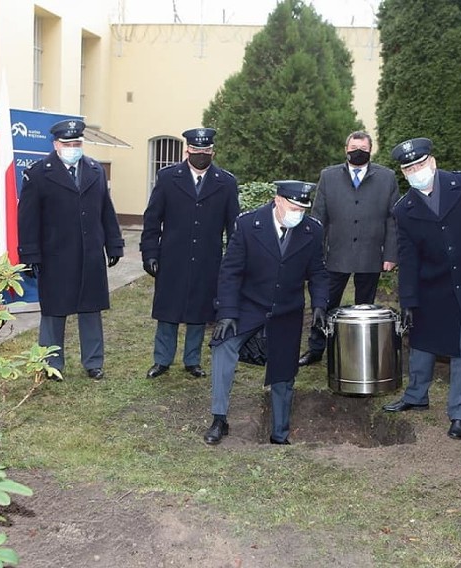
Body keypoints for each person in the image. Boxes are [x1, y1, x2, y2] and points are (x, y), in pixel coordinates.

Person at [383, 137, 461, 440]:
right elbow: (408, 258)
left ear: (433, 162)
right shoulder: (404, 209)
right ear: (404, 172)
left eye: (420, 164)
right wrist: (408, 300)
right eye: (409, 167)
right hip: (431, 285)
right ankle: (416, 396)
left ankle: (459, 414)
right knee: (422, 343)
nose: (416, 170)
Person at [204, 180, 328, 446]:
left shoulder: (312, 230)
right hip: (250, 305)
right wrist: (227, 312)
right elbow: (231, 271)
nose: (298, 212)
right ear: (278, 200)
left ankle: (279, 433)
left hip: (286, 310)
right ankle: (219, 418)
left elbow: (318, 271)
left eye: (303, 208)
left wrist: (320, 304)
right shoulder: (249, 225)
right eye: (294, 206)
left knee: (284, 371)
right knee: (223, 346)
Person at [17, 119, 125, 381]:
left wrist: (114, 244)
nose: (73, 147)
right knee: (55, 311)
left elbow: (106, 211)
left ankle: (94, 362)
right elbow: (28, 219)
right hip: (56, 256)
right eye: (67, 143)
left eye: (77, 143)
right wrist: (30, 255)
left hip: (89, 254)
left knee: (91, 309)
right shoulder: (39, 173)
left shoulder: (94, 170)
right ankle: (52, 364)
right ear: (56, 145)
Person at [140, 128, 240, 379]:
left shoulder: (226, 182)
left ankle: (192, 360)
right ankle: (162, 360)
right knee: (168, 310)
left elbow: (234, 225)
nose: (201, 155)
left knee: (199, 310)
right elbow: (152, 219)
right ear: (187, 151)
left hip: (208, 258)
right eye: (196, 151)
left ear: (212, 152)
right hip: (172, 257)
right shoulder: (167, 178)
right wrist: (149, 252)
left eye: (206, 151)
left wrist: (232, 260)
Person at [298, 131, 399, 366]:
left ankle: (358, 350)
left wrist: (391, 254)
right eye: (354, 147)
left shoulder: (387, 178)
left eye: (363, 148)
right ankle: (316, 348)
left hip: (371, 254)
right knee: (324, 303)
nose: (358, 151)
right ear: (346, 149)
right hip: (335, 254)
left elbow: (393, 220)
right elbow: (318, 218)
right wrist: (315, 254)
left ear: (370, 150)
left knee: (363, 307)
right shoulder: (328, 176)